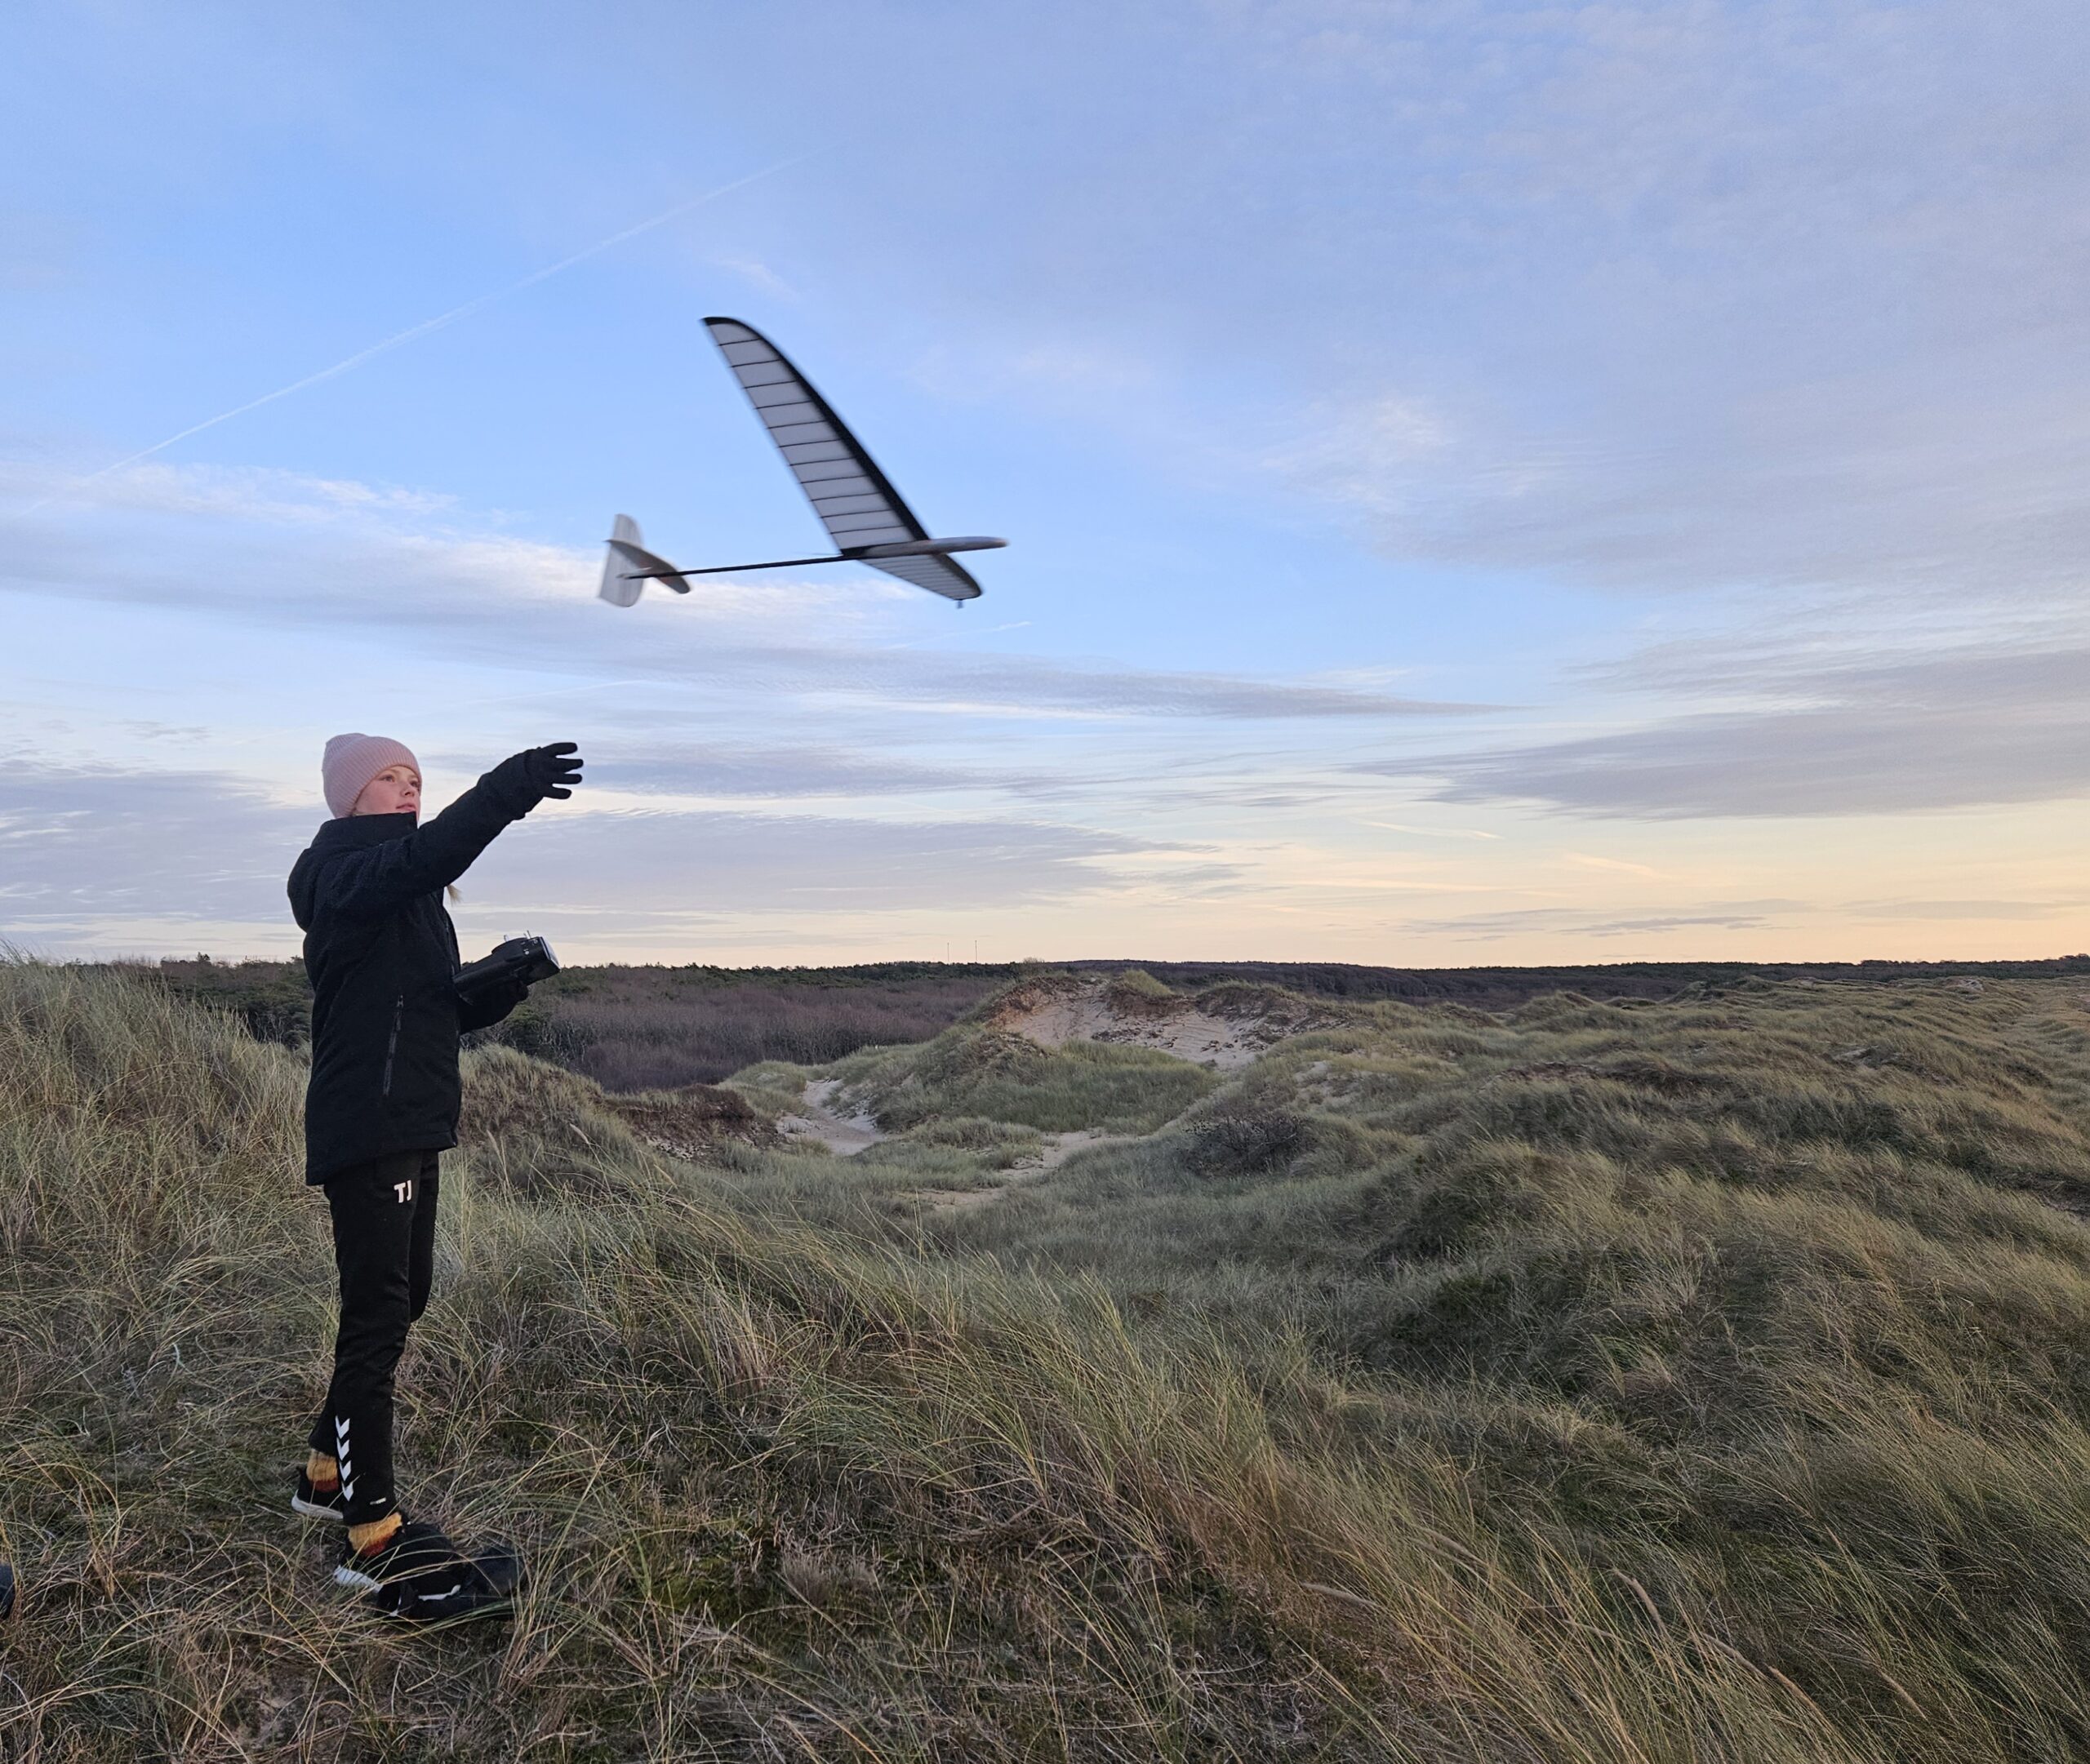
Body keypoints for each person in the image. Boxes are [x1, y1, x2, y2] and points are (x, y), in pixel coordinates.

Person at [287, 731, 582, 1621]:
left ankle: (322, 1473)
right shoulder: (339, 874)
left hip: (411, 1115)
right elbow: (432, 850)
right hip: (368, 1124)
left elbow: (428, 1009)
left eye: (417, 777)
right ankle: (373, 1537)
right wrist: (505, 790)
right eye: (390, 777)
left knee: (404, 1294)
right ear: (349, 795)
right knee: (375, 1316)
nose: (408, 788)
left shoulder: (409, 894)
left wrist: (499, 985)